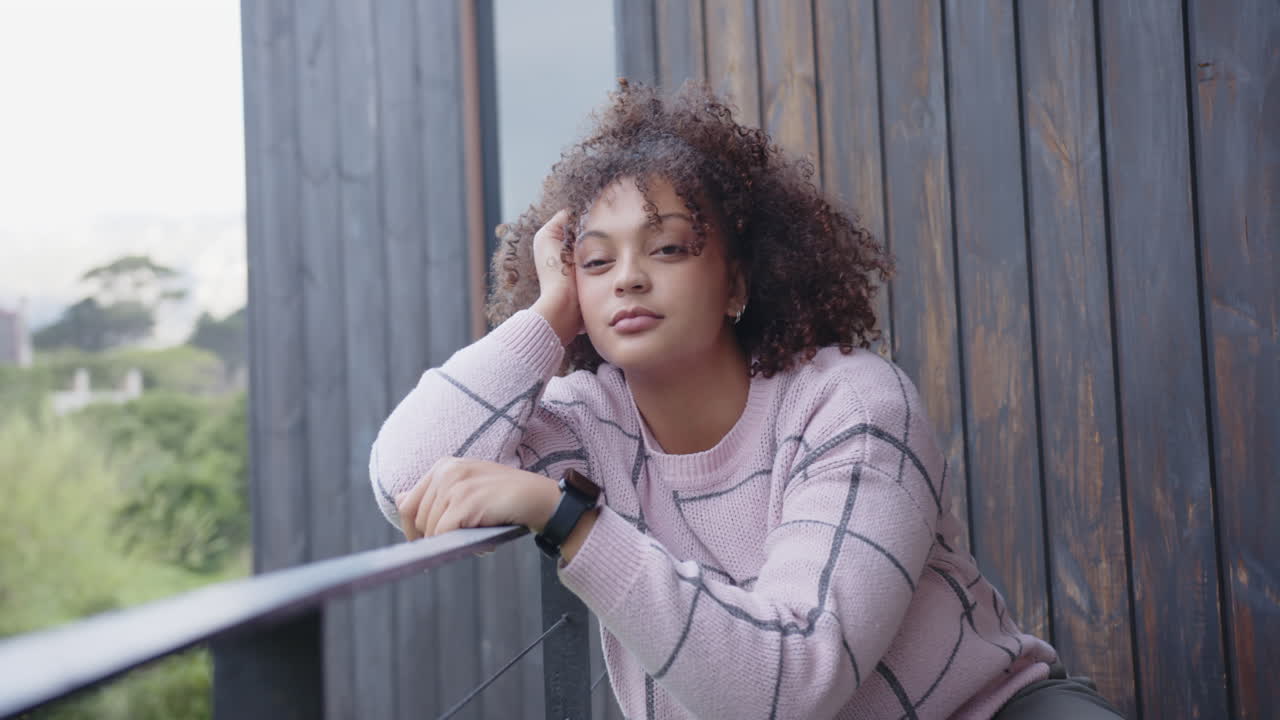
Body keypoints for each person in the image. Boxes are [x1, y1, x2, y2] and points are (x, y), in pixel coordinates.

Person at [370, 79, 1124, 719]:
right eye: (596, 261)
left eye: (667, 248)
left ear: (735, 282)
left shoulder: (852, 404)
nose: (628, 277)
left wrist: (567, 518)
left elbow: (795, 676)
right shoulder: (585, 419)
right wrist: (548, 316)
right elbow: (408, 475)